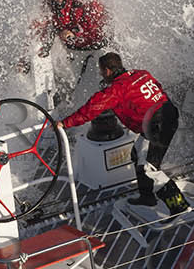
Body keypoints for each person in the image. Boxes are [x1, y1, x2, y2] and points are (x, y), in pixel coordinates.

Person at [61, 52, 184, 210]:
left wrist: (64, 123)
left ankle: (179, 205)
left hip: (156, 126)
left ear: (107, 71)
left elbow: (91, 109)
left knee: (148, 168)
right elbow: (157, 89)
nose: (100, 74)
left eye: (101, 71)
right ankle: (147, 197)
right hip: (168, 114)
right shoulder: (142, 74)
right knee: (138, 153)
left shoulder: (117, 90)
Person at [35, 0, 109, 53]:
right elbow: (39, 25)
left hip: (98, 41)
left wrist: (73, 34)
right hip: (73, 41)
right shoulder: (48, 3)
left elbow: (95, 33)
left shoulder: (81, 1)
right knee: (48, 27)